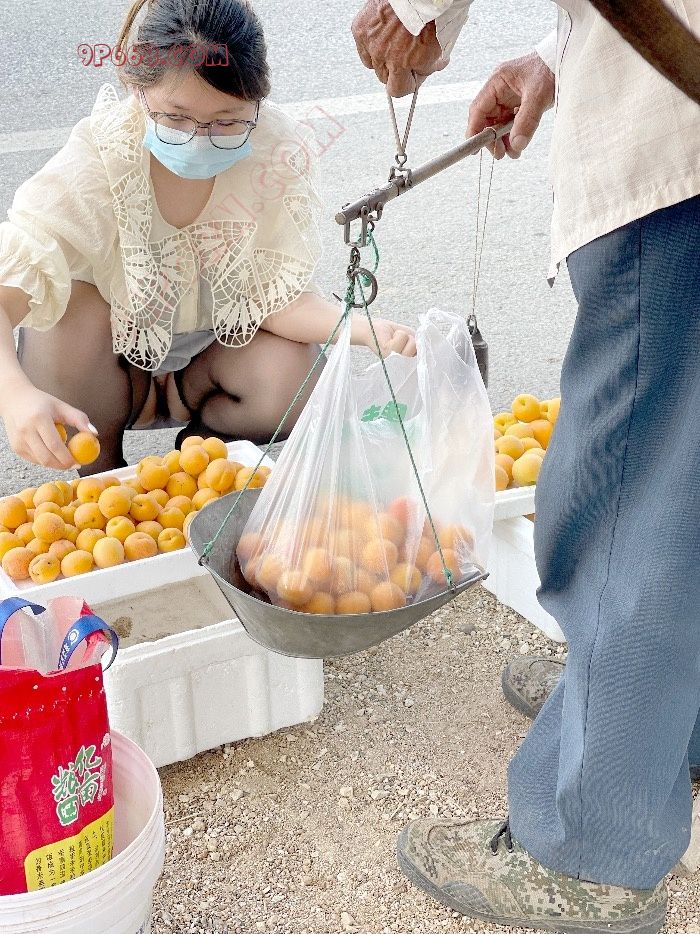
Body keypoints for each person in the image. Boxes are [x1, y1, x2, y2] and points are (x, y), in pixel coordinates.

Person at [353, 1, 700, 931]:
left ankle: (591, 848)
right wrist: (559, 54)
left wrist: (419, 10)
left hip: (680, 150)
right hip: (674, 79)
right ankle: (659, 714)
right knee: (686, 474)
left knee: (631, 491)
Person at [0, 0, 416, 477]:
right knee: (68, 308)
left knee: (298, 376)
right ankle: (101, 470)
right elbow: (7, 288)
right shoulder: (101, 159)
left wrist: (360, 329)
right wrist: (15, 396)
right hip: (104, 374)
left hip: (208, 370)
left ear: (258, 101)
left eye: (227, 121)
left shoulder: (270, 151)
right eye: (175, 118)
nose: (200, 138)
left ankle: (205, 459)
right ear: (138, 90)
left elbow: (274, 297)